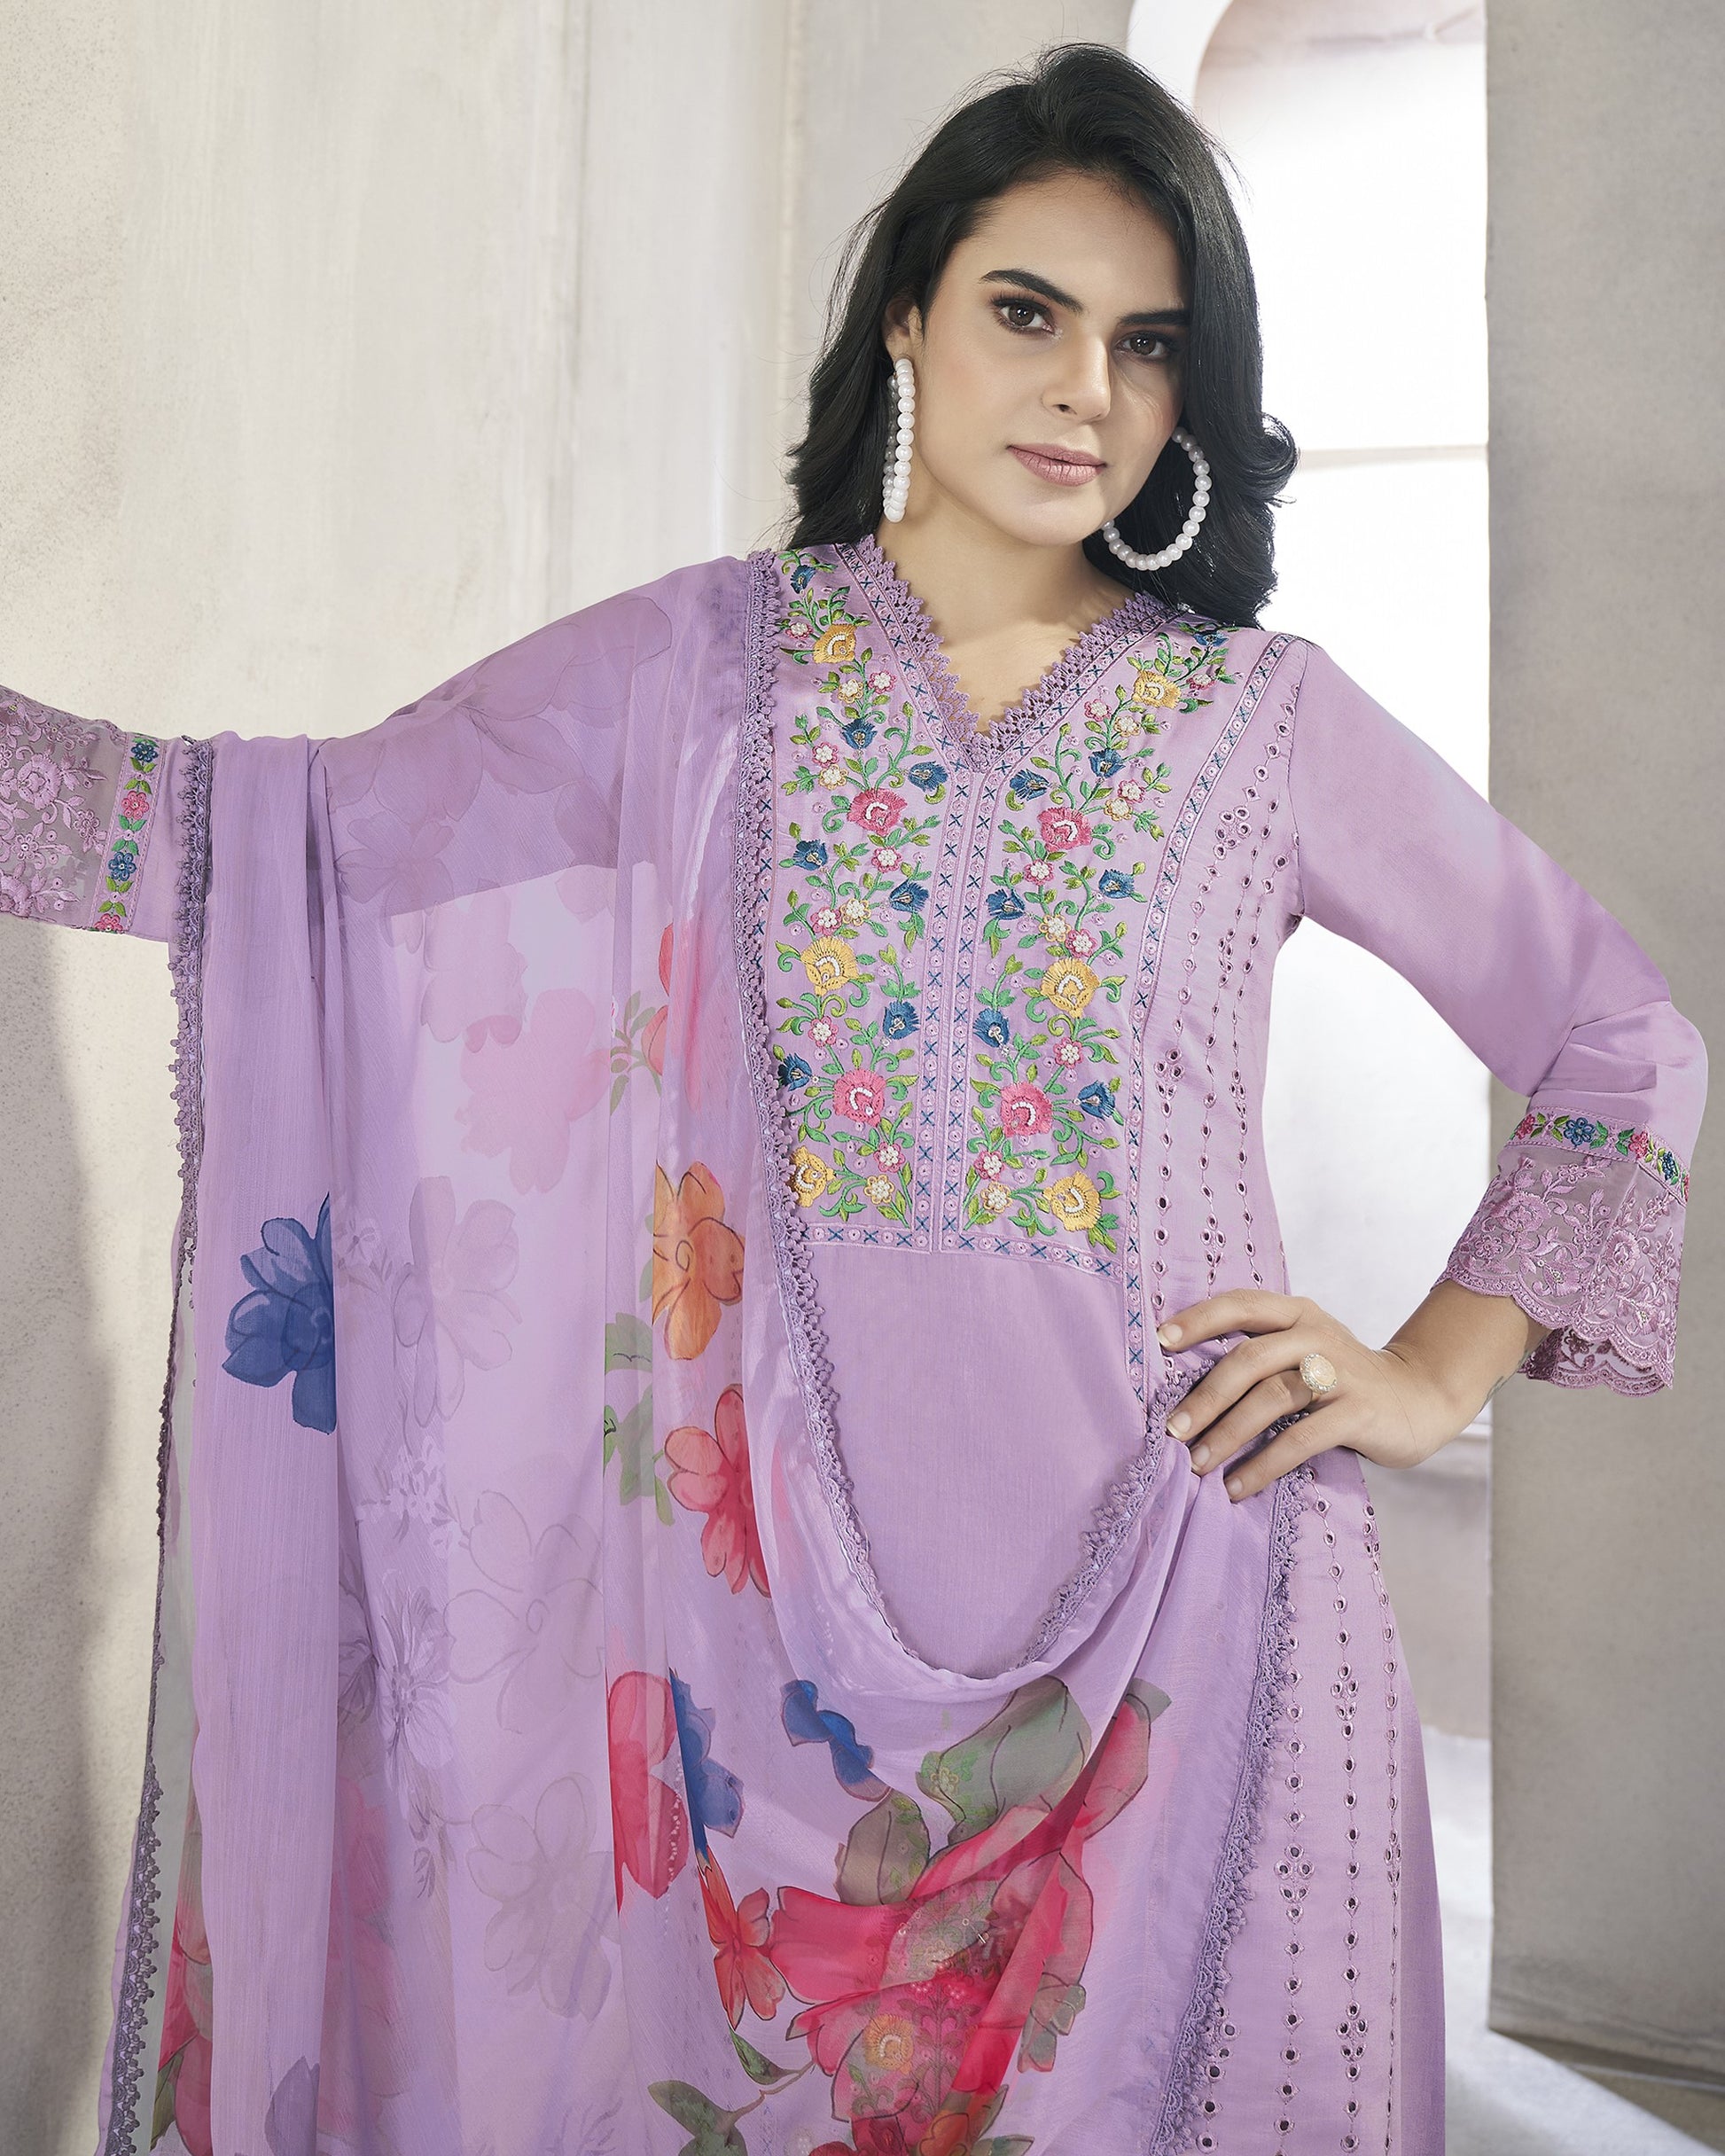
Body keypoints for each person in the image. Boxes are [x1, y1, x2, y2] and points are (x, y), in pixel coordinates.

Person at [0, 42, 1705, 2156]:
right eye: (1026, 312)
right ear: (907, 314)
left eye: (1147, 344)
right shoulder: (697, 675)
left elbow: (1621, 1039)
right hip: (749, 1667)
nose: (1087, 387)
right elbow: (292, 841)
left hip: (1194, 1610)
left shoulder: (1258, 724)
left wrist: (1432, 1373)